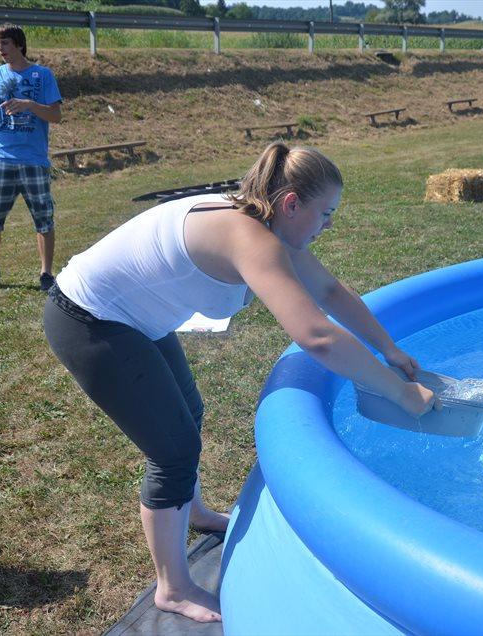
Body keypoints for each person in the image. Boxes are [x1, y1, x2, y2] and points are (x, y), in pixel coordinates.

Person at [42, 142, 438, 623]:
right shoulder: (250, 238)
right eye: (326, 213)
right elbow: (316, 336)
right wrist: (401, 392)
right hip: (88, 319)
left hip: (133, 319)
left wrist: (388, 348)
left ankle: (194, 513)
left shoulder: (268, 224)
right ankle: (173, 587)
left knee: (187, 415)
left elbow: (331, 292)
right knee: (172, 450)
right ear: (290, 203)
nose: (330, 225)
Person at [0, 24, 62, 294]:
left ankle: (46, 274)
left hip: (34, 159)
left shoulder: (43, 75)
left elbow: (56, 116)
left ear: (19, 44)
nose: (0, 49)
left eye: (5, 43)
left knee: (43, 218)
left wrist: (29, 104)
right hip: (1, 157)